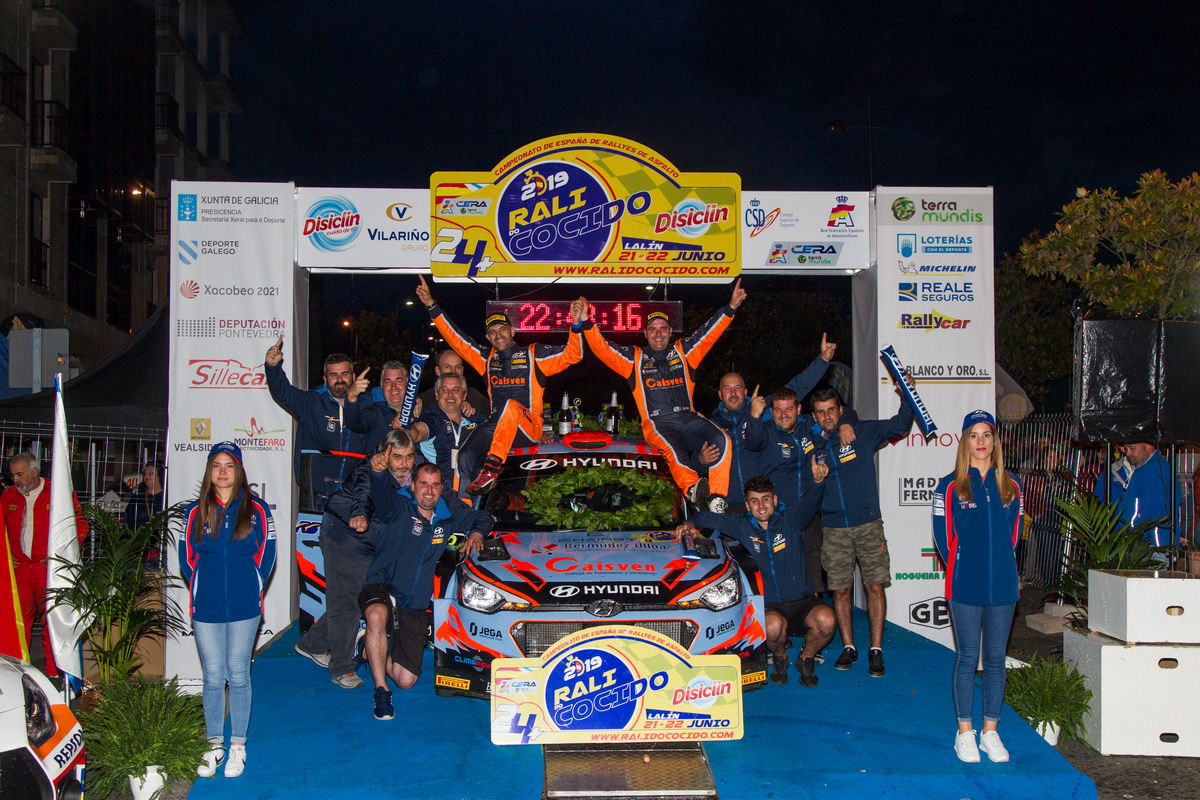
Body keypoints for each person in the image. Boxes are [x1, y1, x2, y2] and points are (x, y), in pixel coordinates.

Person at [577, 281, 747, 513]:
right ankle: (693, 490)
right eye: (653, 329)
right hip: (658, 423)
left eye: (663, 328)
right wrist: (586, 322)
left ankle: (717, 498)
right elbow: (603, 349)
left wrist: (731, 307)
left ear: (670, 331)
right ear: (645, 333)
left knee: (723, 439)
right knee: (675, 453)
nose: (658, 333)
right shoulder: (634, 359)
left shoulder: (684, 351)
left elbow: (709, 333)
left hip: (688, 419)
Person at [416, 275, 583, 493]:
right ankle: (469, 503)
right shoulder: (486, 359)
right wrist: (432, 306)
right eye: (492, 332)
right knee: (465, 457)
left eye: (502, 329)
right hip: (497, 429)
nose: (498, 335)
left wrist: (576, 325)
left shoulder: (534, 355)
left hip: (528, 428)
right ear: (488, 337)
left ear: (512, 331)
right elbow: (457, 339)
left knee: (511, 406)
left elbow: (573, 355)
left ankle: (491, 469)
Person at [358, 462, 492, 720]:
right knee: (376, 615)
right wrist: (377, 473)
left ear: (441, 488)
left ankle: (367, 648)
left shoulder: (447, 515)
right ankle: (381, 692)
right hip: (382, 586)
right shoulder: (398, 506)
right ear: (412, 485)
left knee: (405, 680)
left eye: (434, 485)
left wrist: (476, 533)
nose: (429, 491)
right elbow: (381, 496)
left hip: (413, 604)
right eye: (423, 484)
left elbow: (484, 516)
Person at [677, 467, 834, 687]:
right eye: (755, 501)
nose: (761, 506)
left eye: (766, 499)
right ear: (748, 505)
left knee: (827, 620)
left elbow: (811, 501)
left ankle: (806, 657)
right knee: (772, 627)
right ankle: (779, 657)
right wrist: (689, 524)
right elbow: (705, 517)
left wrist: (817, 482)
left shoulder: (793, 520)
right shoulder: (741, 524)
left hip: (801, 600)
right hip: (768, 605)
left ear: (775, 500)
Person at [179, 442, 276, 779]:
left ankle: (237, 745)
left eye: (229, 465)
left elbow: (267, 553)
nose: (222, 471)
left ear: (239, 470)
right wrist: (199, 587)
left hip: (244, 605)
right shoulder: (195, 512)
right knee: (212, 675)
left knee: (237, 673)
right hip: (205, 606)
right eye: (216, 465)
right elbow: (187, 558)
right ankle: (213, 744)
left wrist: (252, 584)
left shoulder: (257, 509)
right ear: (209, 471)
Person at [931, 410, 1023, 764]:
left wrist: (999, 567)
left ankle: (990, 732)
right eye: (974, 435)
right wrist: (965, 565)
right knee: (968, 656)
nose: (981, 441)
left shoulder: (1012, 485)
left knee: (996, 659)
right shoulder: (949, 486)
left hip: (1003, 585)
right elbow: (943, 539)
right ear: (965, 441)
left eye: (987, 434)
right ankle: (965, 733)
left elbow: (1013, 537)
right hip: (965, 585)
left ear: (995, 440)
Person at [294, 430, 418, 689]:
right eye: (397, 457)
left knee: (351, 598)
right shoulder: (369, 468)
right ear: (384, 454)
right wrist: (359, 515)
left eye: (409, 456)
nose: (404, 463)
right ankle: (341, 668)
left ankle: (312, 644)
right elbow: (363, 492)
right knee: (347, 605)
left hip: (371, 544)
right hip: (346, 537)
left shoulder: (410, 475)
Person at [809, 377, 915, 678]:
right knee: (841, 590)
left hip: (868, 524)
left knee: (874, 586)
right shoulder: (813, 446)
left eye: (832, 410)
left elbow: (900, 425)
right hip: (833, 528)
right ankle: (849, 646)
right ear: (814, 416)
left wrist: (906, 394)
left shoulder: (861, 431)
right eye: (821, 412)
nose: (827, 416)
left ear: (841, 410)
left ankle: (876, 649)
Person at [1, 452, 87, 676]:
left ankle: (55, 673)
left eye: (19, 474)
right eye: (13, 475)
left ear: (34, 472)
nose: (15, 479)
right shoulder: (8, 496)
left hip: (47, 569)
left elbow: (79, 526)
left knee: (53, 623)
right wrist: (7, 558)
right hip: (19, 571)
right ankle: (15, 674)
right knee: (16, 625)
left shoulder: (57, 493)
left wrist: (61, 558)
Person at [264, 337, 371, 480]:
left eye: (344, 374)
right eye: (333, 375)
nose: (339, 379)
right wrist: (273, 367)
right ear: (325, 379)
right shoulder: (311, 402)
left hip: (355, 488)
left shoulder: (367, 403)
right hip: (316, 488)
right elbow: (283, 392)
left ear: (353, 376)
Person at [1093, 442, 1182, 548]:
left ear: (1148, 446)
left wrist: (1129, 533)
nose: (1127, 453)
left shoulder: (1155, 469)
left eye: (1132, 448)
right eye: (1126, 448)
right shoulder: (1145, 468)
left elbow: (1153, 513)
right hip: (1146, 543)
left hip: (1152, 545)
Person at [410, 373, 487, 492]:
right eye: (445, 390)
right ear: (437, 394)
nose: (450, 395)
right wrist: (405, 428)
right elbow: (417, 433)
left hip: (474, 495)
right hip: (441, 495)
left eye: (456, 390)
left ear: (464, 395)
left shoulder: (476, 419)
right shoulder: (432, 418)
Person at [346, 359, 412, 455]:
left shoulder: (418, 411)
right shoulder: (374, 413)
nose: (393, 386)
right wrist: (352, 396)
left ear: (408, 383)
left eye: (399, 381)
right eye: (387, 382)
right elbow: (353, 423)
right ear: (381, 386)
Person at [417, 349, 490, 420]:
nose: (453, 371)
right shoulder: (423, 401)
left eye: (458, 367)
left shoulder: (476, 397)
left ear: (462, 370)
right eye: (448, 367)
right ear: (437, 370)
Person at [123, 461, 166, 532]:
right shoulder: (137, 499)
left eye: (151, 473)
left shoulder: (166, 499)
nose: (146, 476)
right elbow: (127, 524)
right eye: (145, 474)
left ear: (160, 476)